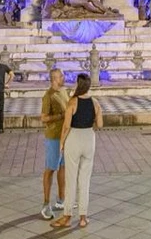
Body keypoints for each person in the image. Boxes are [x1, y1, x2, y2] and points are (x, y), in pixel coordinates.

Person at [51, 74, 103, 229]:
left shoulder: (72, 102)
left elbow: (66, 126)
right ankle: (83, 217)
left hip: (74, 138)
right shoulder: (95, 103)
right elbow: (99, 124)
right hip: (89, 138)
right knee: (85, 180)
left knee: (71, 178)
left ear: (78, 85)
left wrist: (61, 143)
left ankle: (67, 216)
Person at [39, 68, 68, 220]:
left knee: (62, 167)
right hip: (54, 137)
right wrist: (59, 116)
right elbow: (43, 118)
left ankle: (62, 199)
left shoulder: (64, 91)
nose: (63, 77)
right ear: (54, 78)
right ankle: (45, 204)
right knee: (50, 168)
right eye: (61, 75)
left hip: (64, 136)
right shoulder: (48, 96)